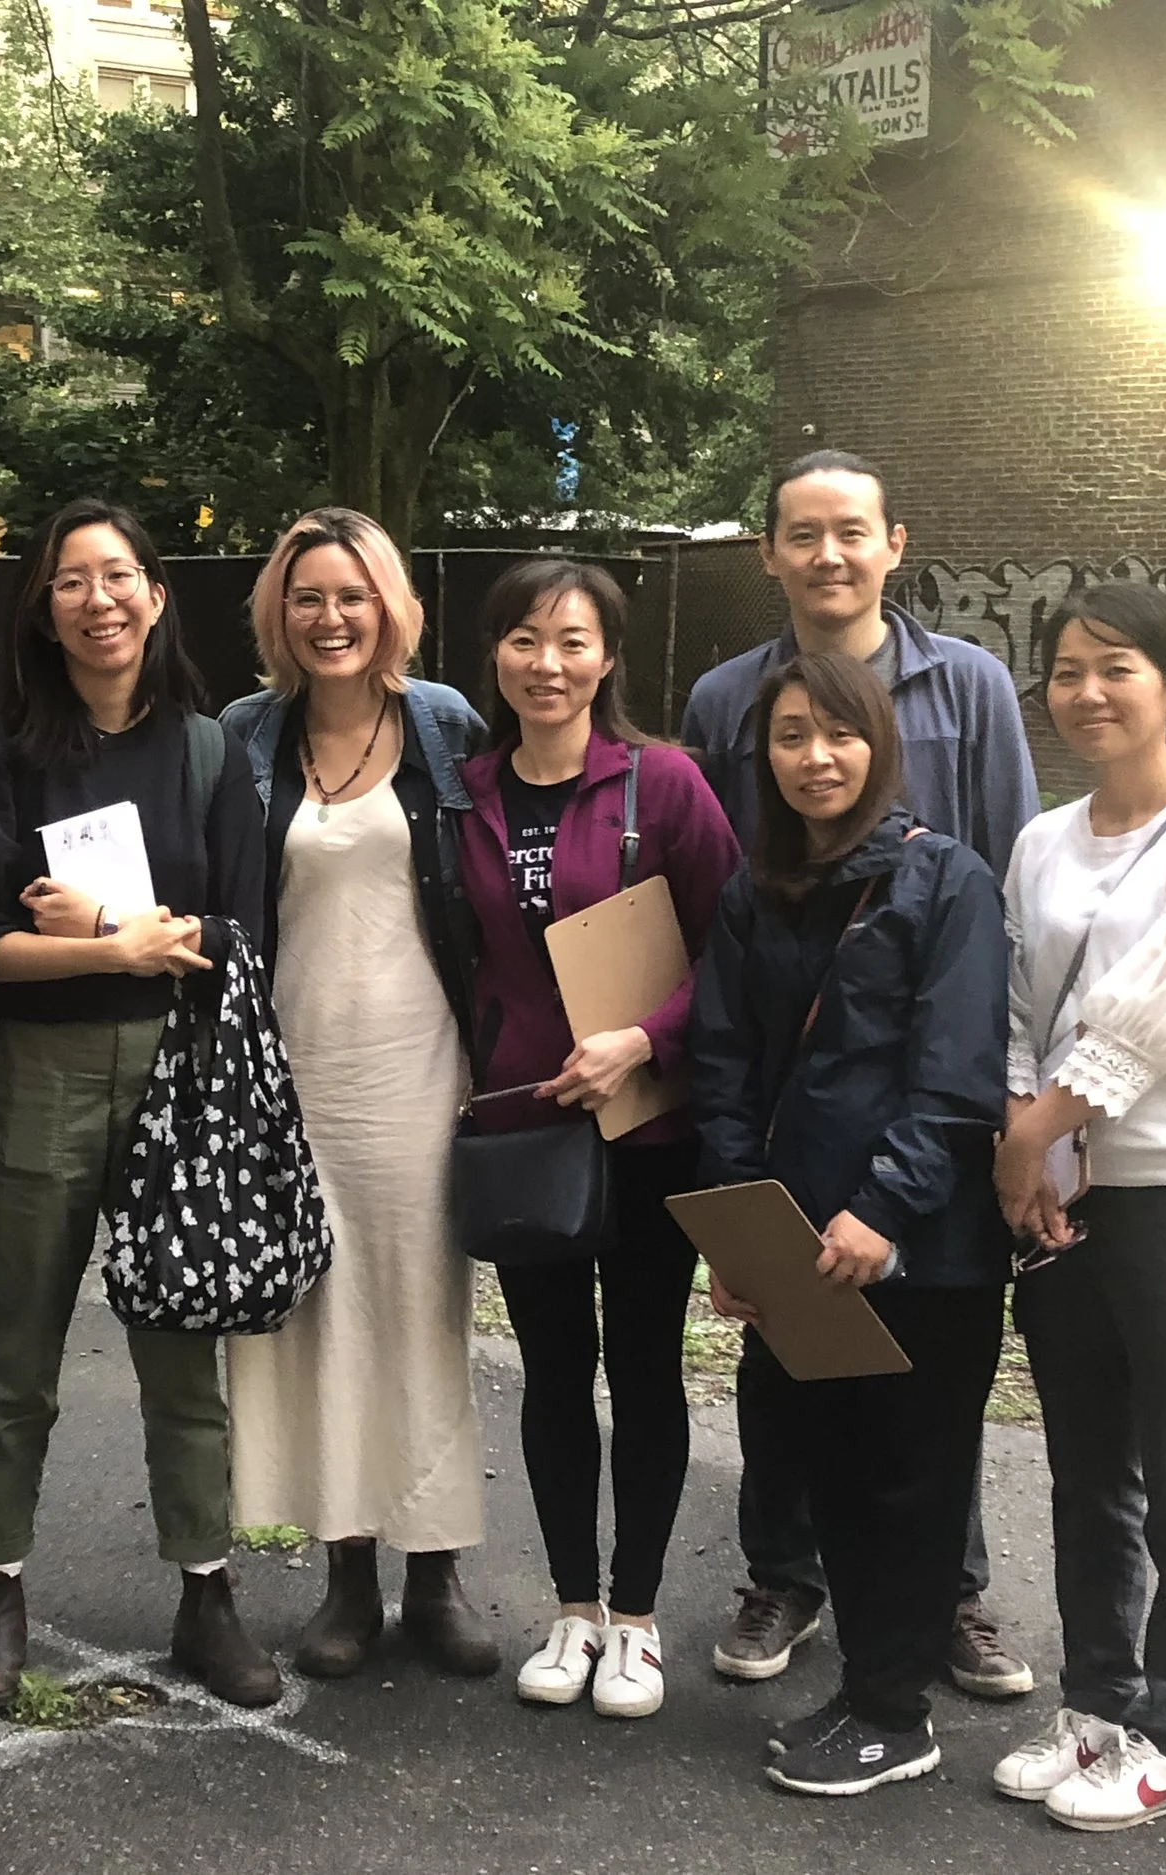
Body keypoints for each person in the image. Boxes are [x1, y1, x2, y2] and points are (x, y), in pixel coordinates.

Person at [677, 448, 1039, 1698]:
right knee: (792, 1351)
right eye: (800, 533)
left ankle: (944, 1592)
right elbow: (715, 885)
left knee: (925, 1375)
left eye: (851, 531)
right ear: (769, 552)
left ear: (893, 544)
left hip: (928, 1052)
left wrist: (1004, 1093)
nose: (827, 554)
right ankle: (789, 1573)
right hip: (791, 1067)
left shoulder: (970, 687)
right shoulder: (725, 698)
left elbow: (1010, 866)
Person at [0, 496, 278, 1711]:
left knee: (184, 1358)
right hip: (38, 1078)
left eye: (119, 575)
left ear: (156, 595)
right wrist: (110, 950)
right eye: (71, 580)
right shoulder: (0, 755)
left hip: (180, 1080)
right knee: (14, 1356)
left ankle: (206, 1592)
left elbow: (240, 930)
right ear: (43, 607)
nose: (99, 599)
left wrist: (102, 926)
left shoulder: (204, 749)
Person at [989, 582, 1166, 1833]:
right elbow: (1016, 1002)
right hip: (1061, 1199)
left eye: (1116, 668)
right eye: (1064, 671)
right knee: (1084, 1473)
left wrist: (1038, 1131)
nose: (1087, 693)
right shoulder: (1041, 839)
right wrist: (1031, 1147)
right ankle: (1096, 1709)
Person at [450, 559, 740, 1719]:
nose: (548, 664)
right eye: (525, 640)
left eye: (572, 642)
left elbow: (734, 950)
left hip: (649, 1129)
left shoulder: (660, 785)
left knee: (645, 1368)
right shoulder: (464, 791)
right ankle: (570, 1610)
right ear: (496, 656)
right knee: (552, 1373)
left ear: (607, 657)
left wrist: (647, 1042)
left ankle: (637, 1618)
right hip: (528, 1133)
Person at [217, 508, 496, 1682]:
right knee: (315, 1321)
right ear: (278, 612)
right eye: (306, 597)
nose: (330, 618)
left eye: (352, 596)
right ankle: (345, 1577)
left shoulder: (443, 724)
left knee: (419, 1314)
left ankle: (435, 1574)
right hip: (291, 1070)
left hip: (422, 1067)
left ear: (389, 605)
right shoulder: (244, 734)